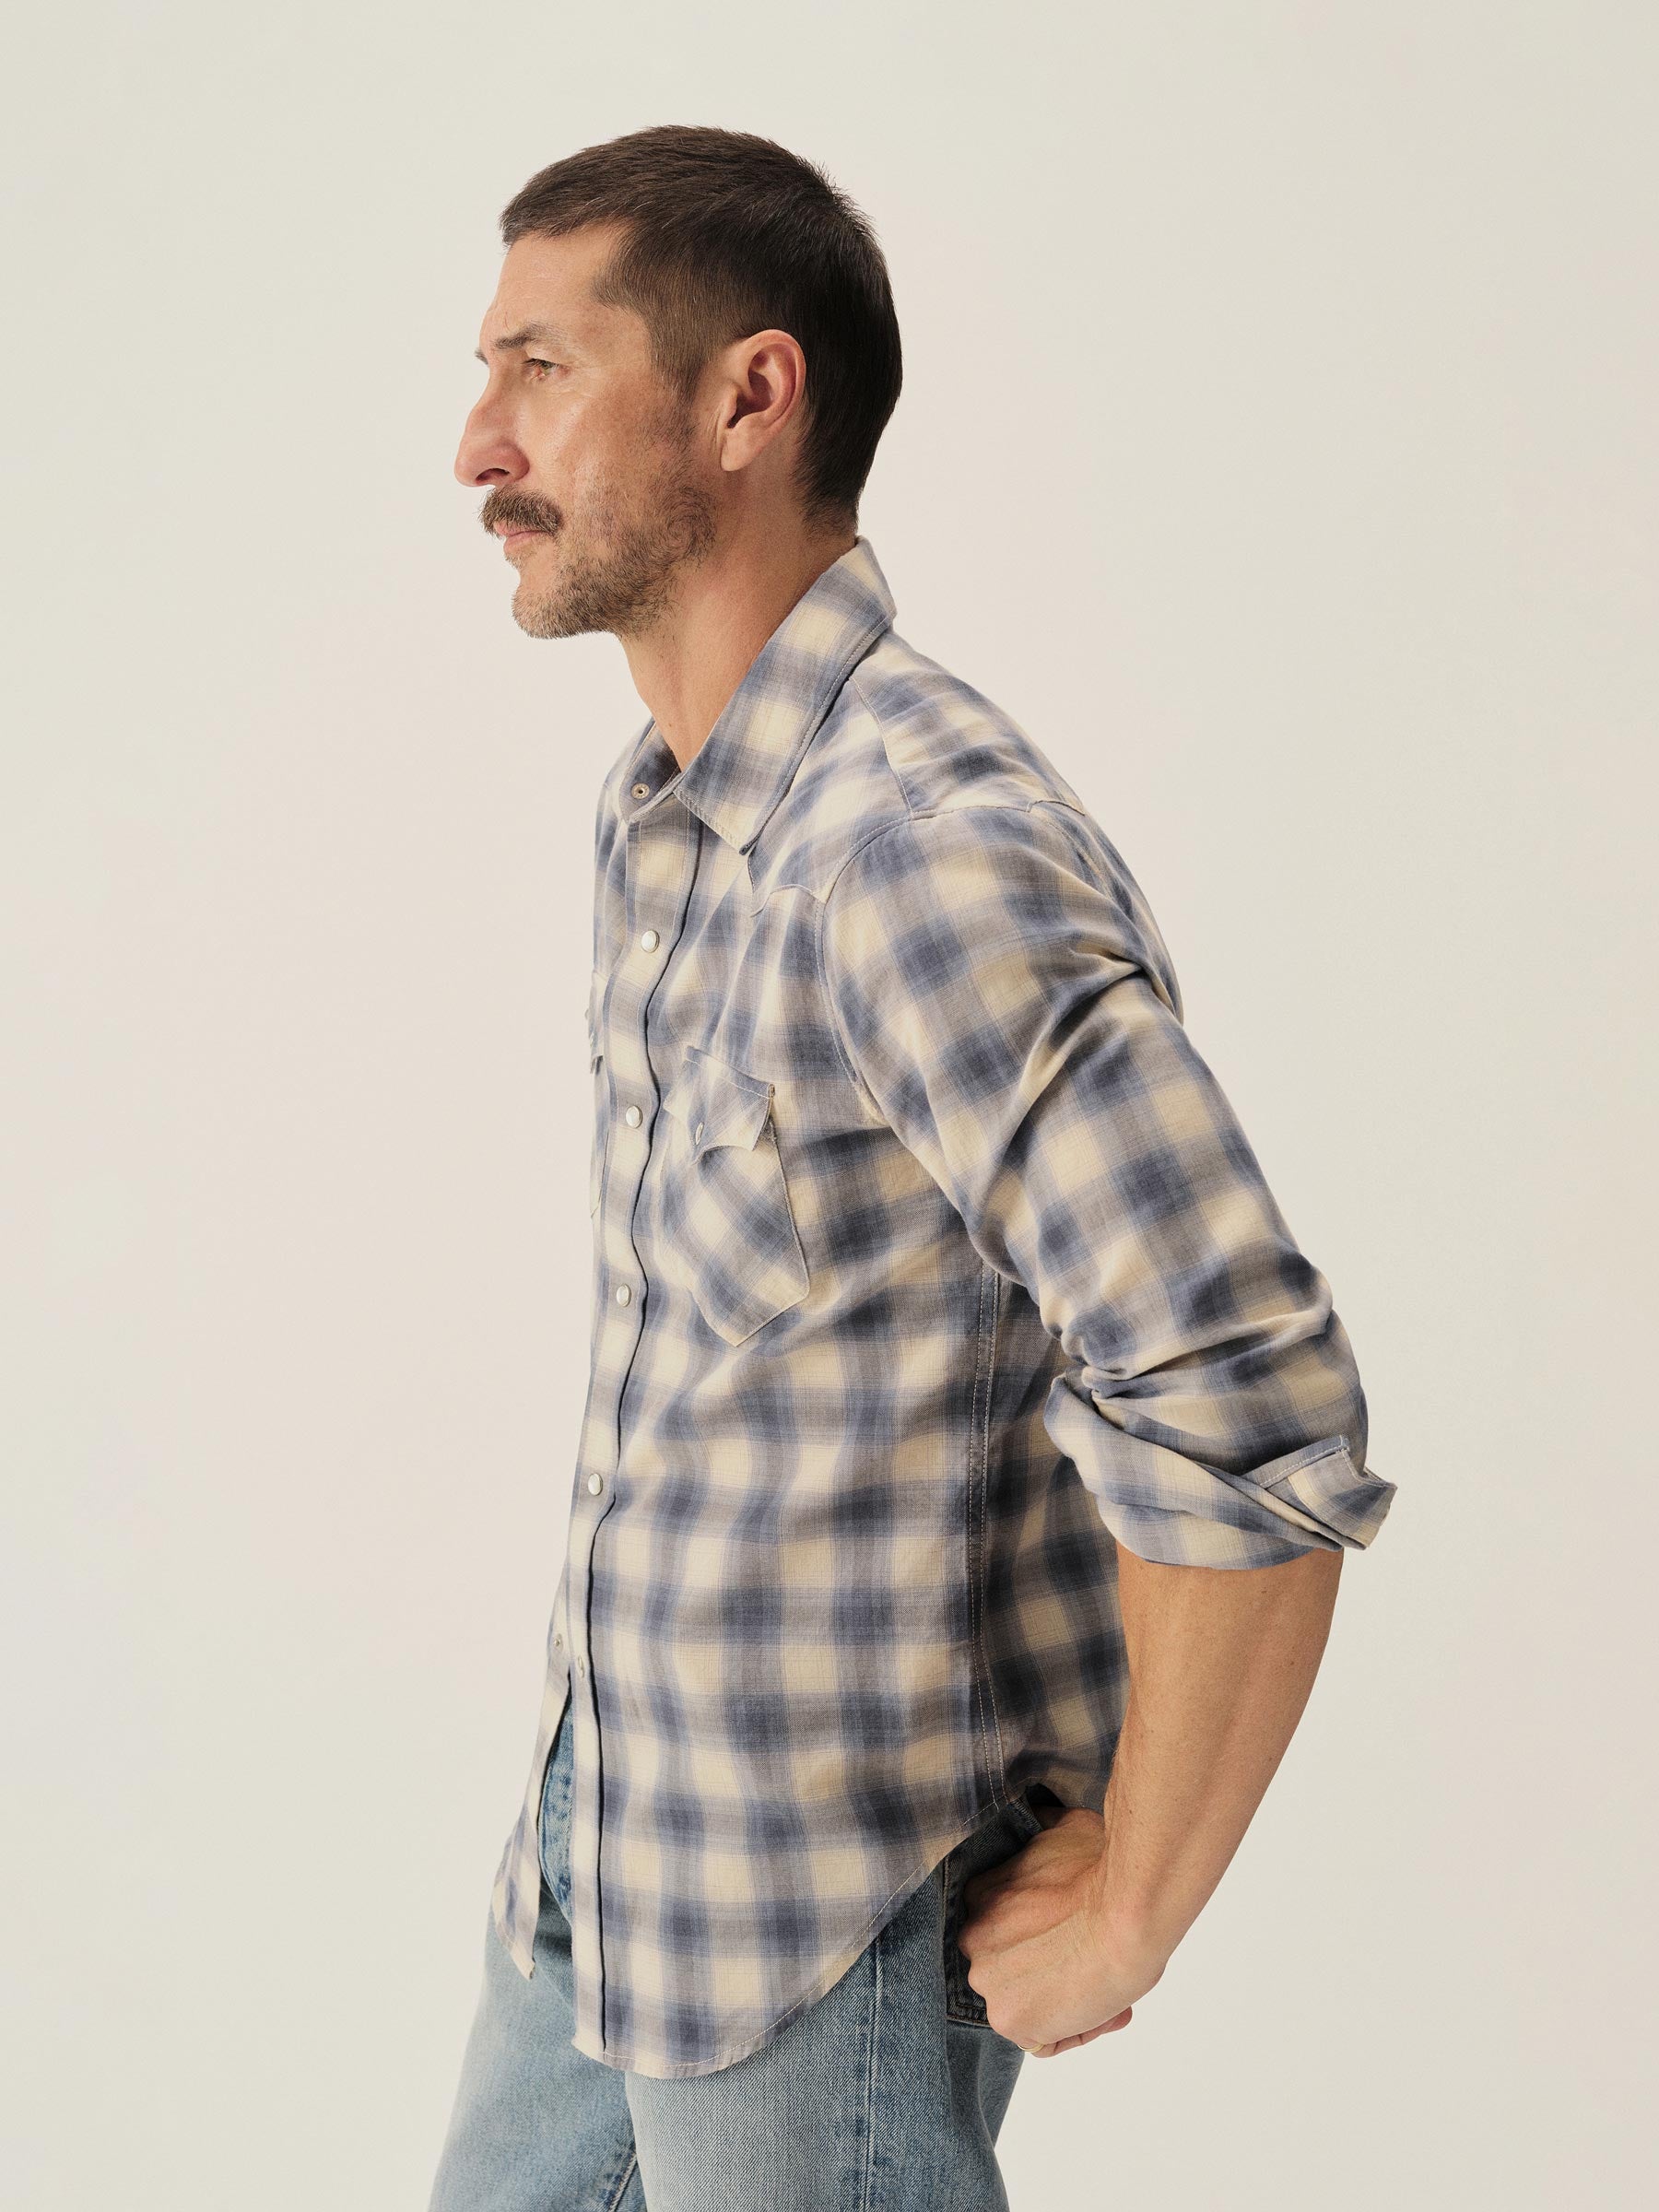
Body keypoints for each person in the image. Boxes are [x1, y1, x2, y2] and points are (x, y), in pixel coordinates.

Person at [431, 122, 1396, 2212]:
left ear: (748, 400)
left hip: (819, 1920)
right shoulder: (668, 819)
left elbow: (1248, 1392)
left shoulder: (917, 852)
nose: (476, 446)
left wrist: (1133, 1905)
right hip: (614, 1845)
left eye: (539, 369)